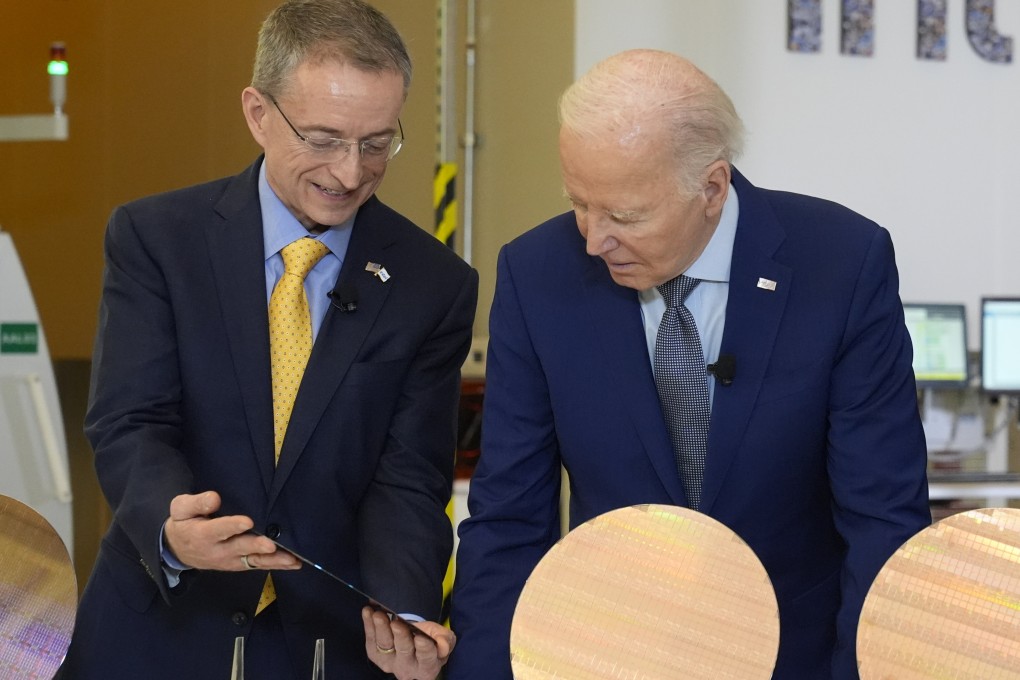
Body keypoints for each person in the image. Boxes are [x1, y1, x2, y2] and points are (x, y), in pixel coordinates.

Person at [449, 49, 929, 680]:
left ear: (712, 186)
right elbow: (509, 521)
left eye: (625, 216)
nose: (594, 240)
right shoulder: (538, 275)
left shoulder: (840, 266)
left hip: (800, 657)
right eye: (579, 204)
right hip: (609, 659)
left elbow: (882, 521)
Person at [57, 1, 476, 679]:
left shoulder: (434, 284)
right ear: (257, 113)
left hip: (325, 644)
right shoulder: (159, 240)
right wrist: (169, 522)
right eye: (323, 138)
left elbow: (408, 479)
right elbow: (131, 419)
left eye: (377, 143)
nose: (349, 172)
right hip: (157, 635)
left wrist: (404, 609)